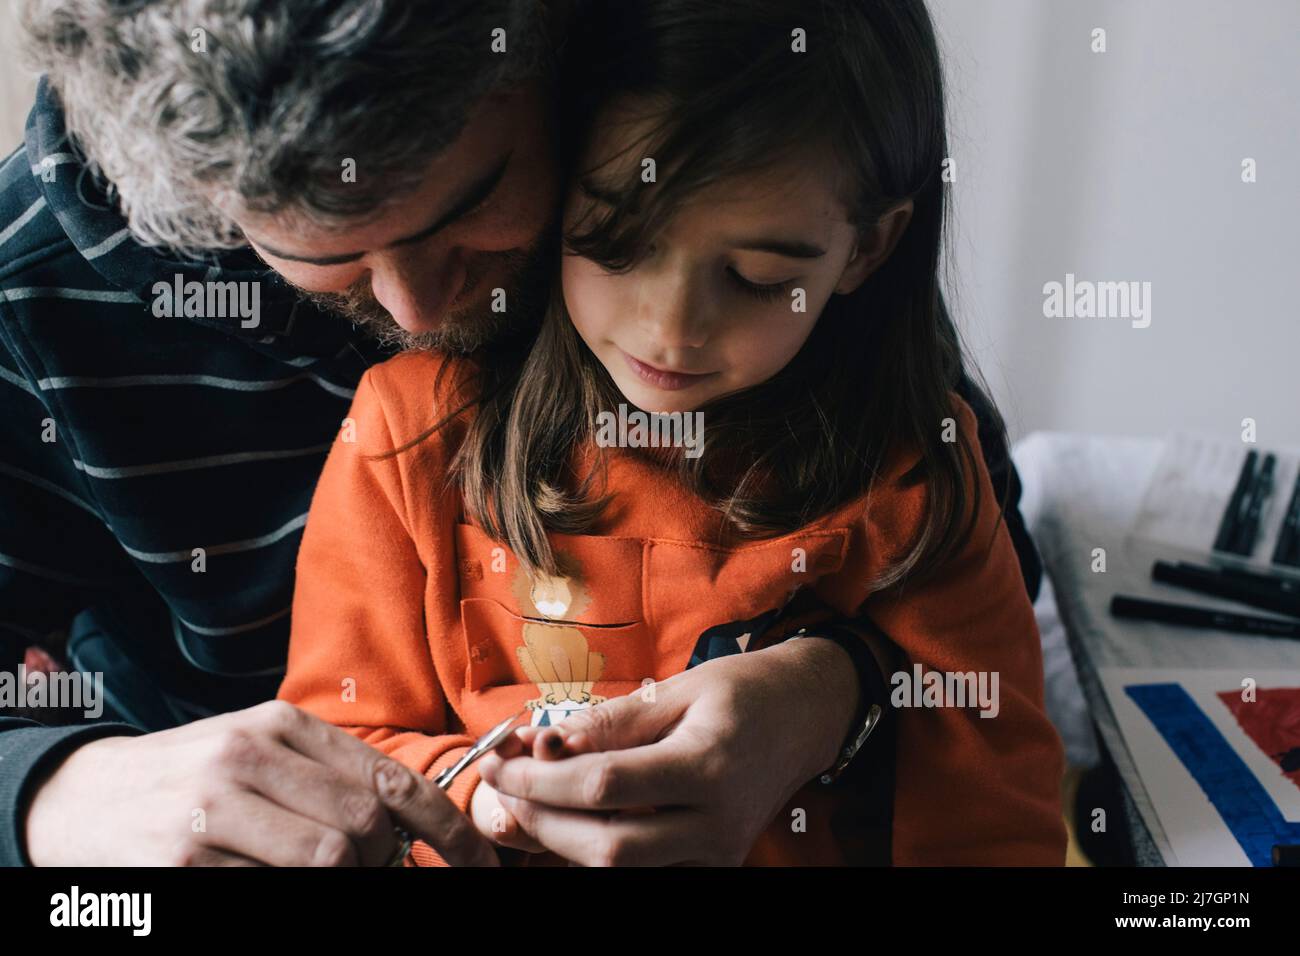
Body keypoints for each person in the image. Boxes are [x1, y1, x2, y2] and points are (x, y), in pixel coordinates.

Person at [0, 0, 1039, 868]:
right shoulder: (30, 291)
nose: (413, 313)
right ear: (202, 208)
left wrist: (834, 690)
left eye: (473, 203)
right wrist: (55, 790)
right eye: (319, 252)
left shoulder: (702, 136)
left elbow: (973, 568)